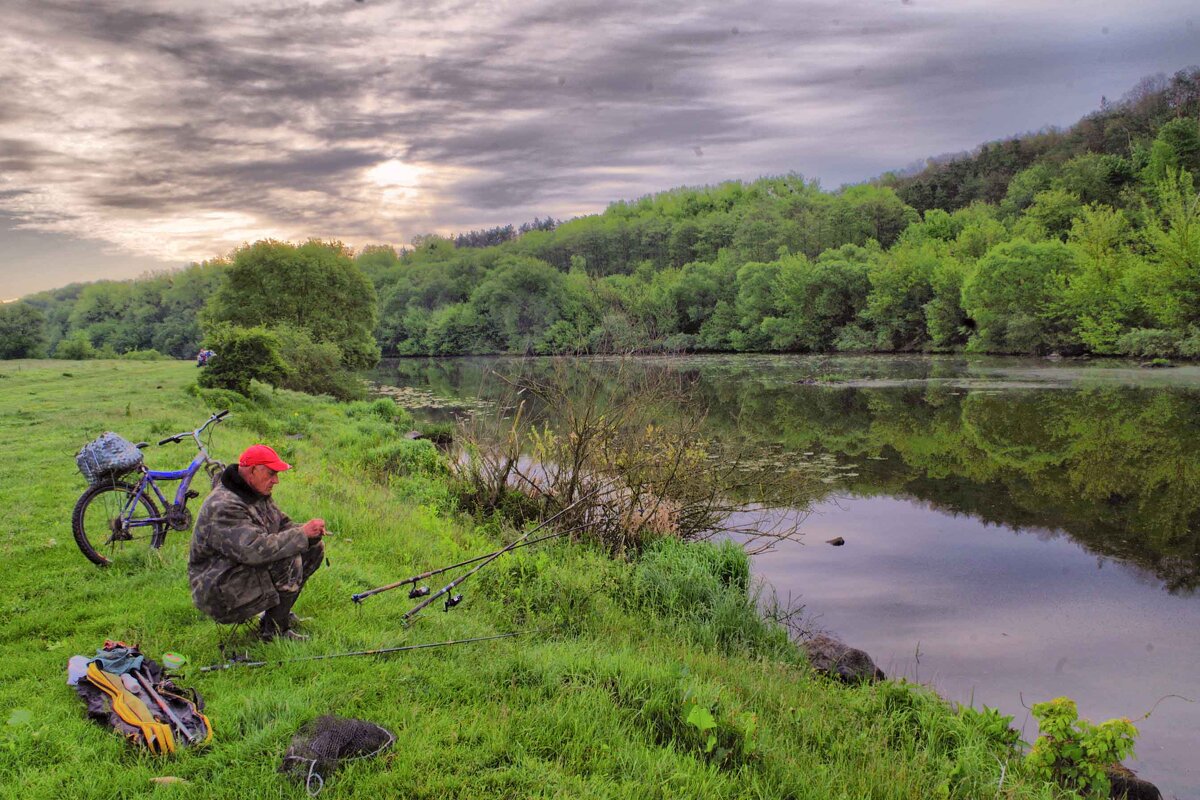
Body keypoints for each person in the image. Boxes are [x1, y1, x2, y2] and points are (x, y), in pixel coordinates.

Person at [188, 444, 326, 641]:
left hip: (236, 569)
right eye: (271, 474)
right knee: (288, 559)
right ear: (253, 470)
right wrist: (301, 534)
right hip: (218, 589)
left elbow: (282, 524)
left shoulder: (254, 491)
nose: (276, 480)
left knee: (313, 548)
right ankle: (275, 633)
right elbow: (255, 550)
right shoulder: (224, 505)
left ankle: (276, 618)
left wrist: (308, 533)